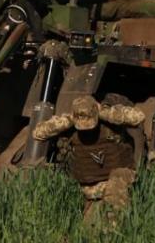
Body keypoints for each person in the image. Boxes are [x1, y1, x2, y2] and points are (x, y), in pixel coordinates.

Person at [32, 96, 145, 227]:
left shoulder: (108, 120)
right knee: (89, 230)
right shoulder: (71, 123)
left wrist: (105, 112)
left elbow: (139, 116)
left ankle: (115, 232)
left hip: (121, 178)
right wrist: (68, 120)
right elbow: (38, 133)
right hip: (92, 187)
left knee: (117, 183)